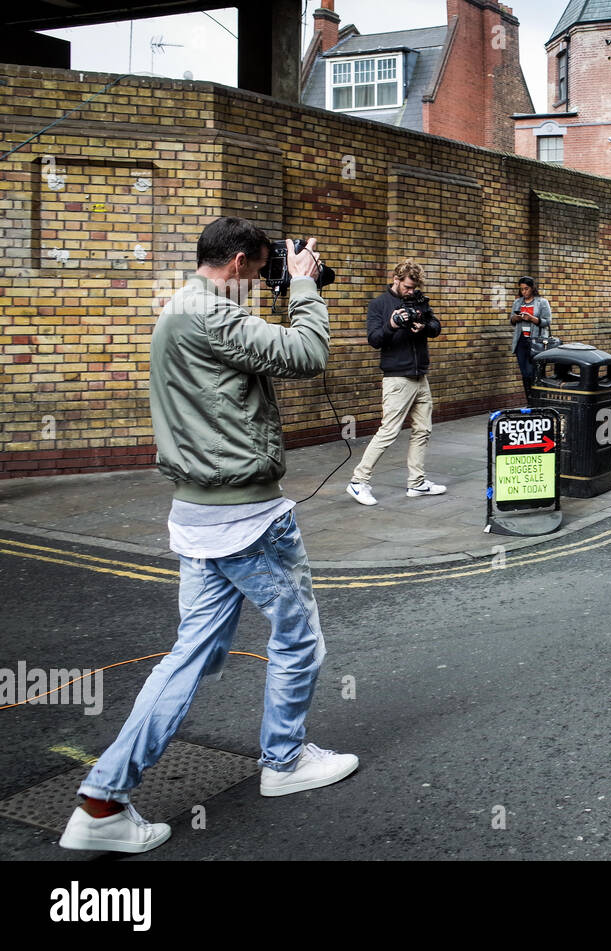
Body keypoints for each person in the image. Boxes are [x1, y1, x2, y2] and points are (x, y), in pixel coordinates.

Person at [59, 218, 357, 854]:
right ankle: (284, 762)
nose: (260, 279)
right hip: (244, 518)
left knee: (191, 654)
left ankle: (102, 801)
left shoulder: (184, 310)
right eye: (259, 269)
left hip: (198, 516)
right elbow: (307, 354)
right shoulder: (207, 314)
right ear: (242, 261)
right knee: (298, 635)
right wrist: (303, 287)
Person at [347, 259, 445, 505]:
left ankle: (417, 483)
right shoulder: (379, 304)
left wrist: (423, 326)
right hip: (397, 378)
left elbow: (436, 326)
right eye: (407, 287)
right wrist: (392, 324)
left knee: (423, 430)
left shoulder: (419, 300)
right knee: (389, 431)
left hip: (420, 375)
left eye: (414, 288)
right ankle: (358, 481)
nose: (411, 292)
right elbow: (374, 339)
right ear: (396, 279)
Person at [509, 276, 553, 395]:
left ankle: (537, 399)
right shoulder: (517, 302)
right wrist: (516, 318)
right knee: (525, 372)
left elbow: (547, 321)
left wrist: (532, 319)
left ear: (533, 288)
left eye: (526, 289)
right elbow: (511, 321)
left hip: (536, 341)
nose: (524, 292)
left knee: (534, 372)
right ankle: (529, 400)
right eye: (522, 289)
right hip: (521, 341)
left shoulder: (542, 302)